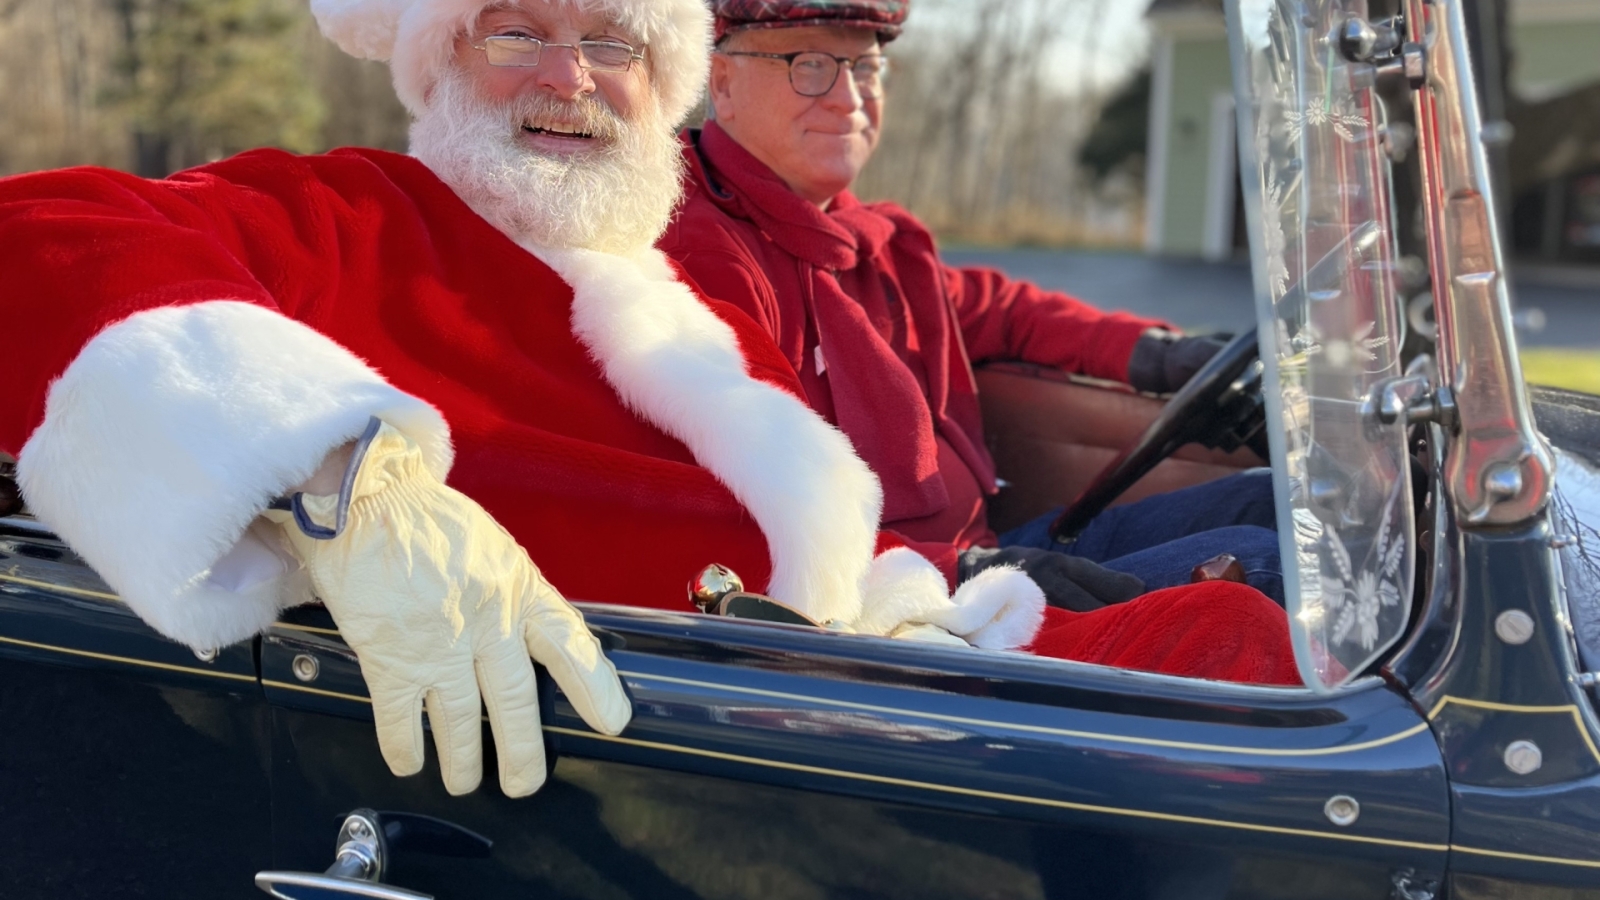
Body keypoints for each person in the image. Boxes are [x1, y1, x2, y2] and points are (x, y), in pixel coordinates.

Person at [0, 0, 1298, 802]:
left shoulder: (675, 297)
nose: (569, 77)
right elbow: (37, 236)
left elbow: (840, 552)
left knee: (1253, 636)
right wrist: (354, 484)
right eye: (518, 31)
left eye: (612, 40)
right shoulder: (356, 211)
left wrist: (967, 607)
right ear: (440, 57)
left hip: (874, 665)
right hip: (699, 756)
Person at [660, 0, 1284, 608]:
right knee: (1265, 564)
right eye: (810, 65)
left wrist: (1158, 354)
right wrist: (959, 571)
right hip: (910, 607)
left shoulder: (869, 242)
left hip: (986, 556)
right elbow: (750, 511)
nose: (849, 99)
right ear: (724, 82)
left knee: (1272, 506)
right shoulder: (704, 256)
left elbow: (1004, 310)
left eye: (867, 68)